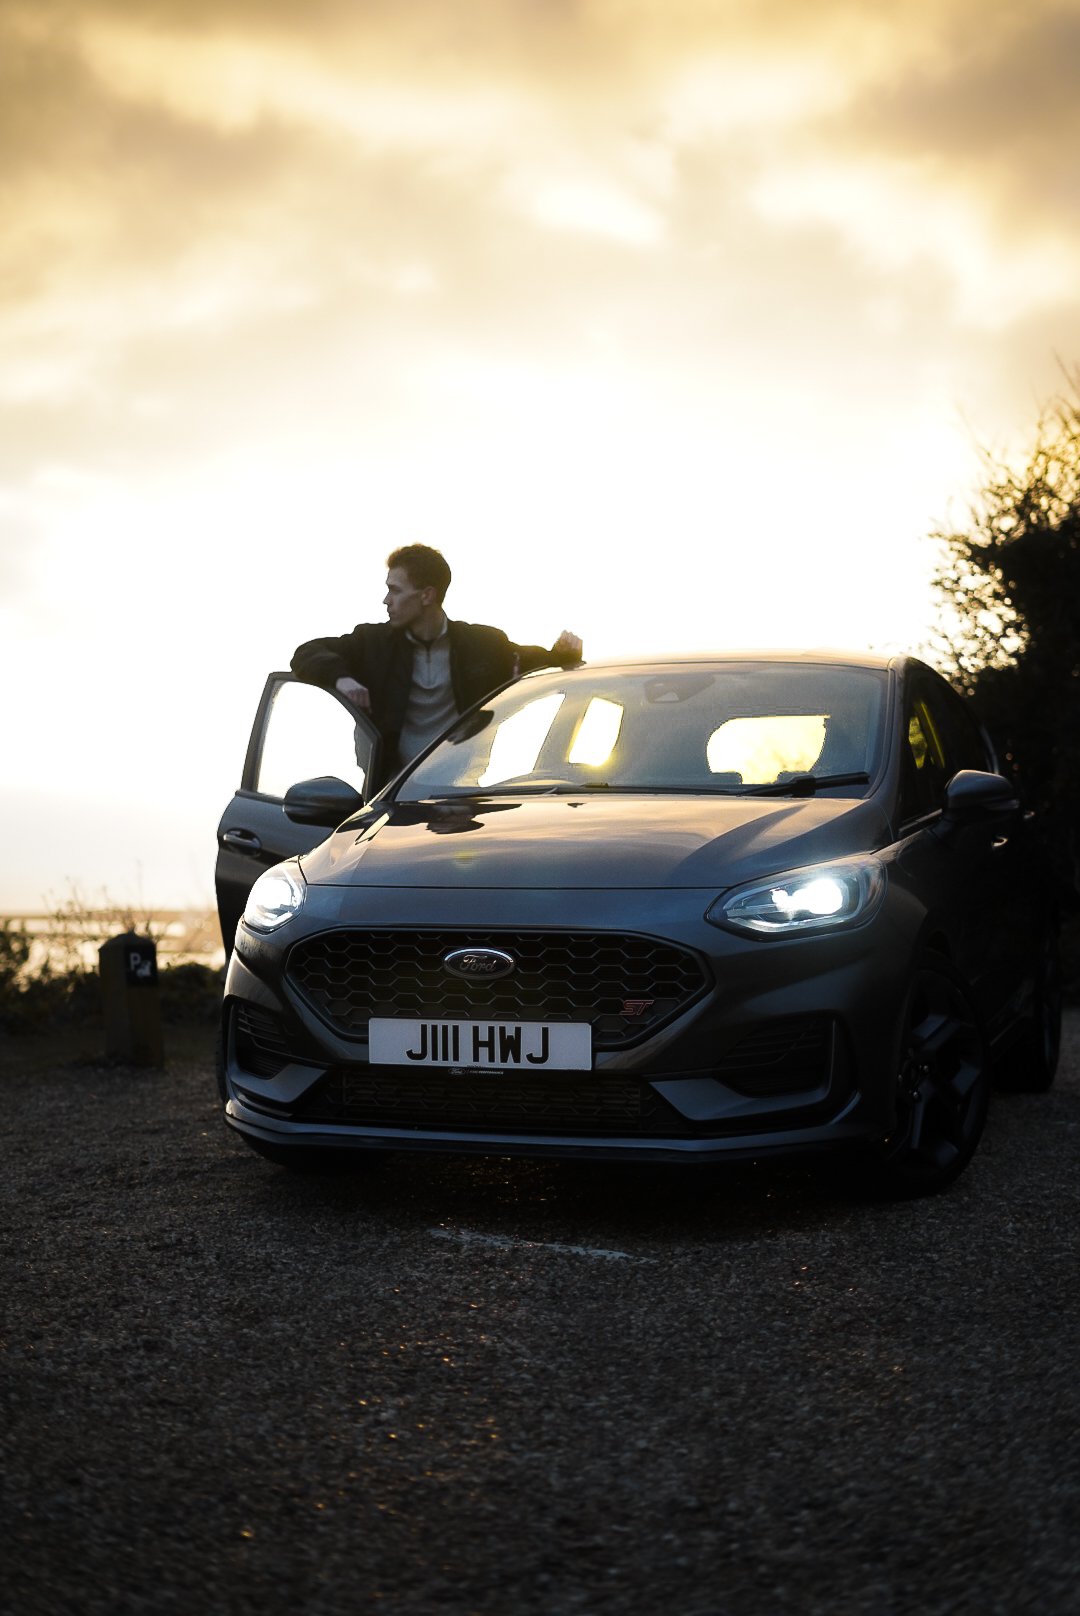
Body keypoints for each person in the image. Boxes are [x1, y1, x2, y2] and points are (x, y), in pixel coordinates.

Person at [291, 544, 583, 779]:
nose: (386, 600)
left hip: (458, 791)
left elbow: (537, 662)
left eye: (395, 590)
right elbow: (306, 653)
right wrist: (341, 679)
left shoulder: (482, 644)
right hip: (389, 794)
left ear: (426, 595)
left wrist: (565, 652)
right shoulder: (372, 642)